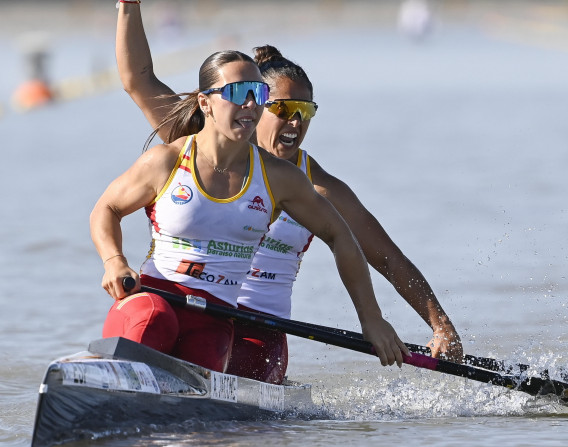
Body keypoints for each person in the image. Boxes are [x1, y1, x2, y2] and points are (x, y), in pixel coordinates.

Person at [114, 0, 464, 382]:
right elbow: (137, 80)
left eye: (305, 111)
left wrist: (441, 327)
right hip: (189, 310)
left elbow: (385, 258)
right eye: (284, 109)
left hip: (260, 335)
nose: (296, 123)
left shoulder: (317, 187)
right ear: (257, 104)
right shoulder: (200, 143)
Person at [91, 48, 410, 374]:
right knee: (152, 322)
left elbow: (339, 234)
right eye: (239, 94)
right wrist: (114, 262)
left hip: (216, 317)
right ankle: (114, 378)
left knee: (210, 354)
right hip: (157, 298)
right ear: (206, 103)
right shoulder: (166, 160)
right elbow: (107, 207)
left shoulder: (280, 178)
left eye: (258, 94)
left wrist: (370, 318)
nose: (251, 104)